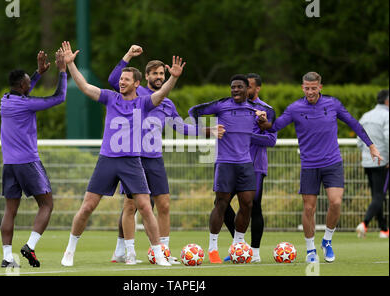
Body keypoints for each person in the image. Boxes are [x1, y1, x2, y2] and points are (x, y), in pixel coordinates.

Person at [59, 41, 186, 267]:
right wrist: (71, 65)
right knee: (87, 206)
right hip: (107, 160)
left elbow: (163, 93)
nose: (121, 82)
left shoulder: (144, 103)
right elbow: (86, 87)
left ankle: (158, 253)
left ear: (137, 83)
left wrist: (173, 78)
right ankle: (70, 250)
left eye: (126, 80)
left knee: (146, 207)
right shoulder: (110, 97)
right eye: (120, 80)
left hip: (131, 162)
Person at [107, 45, 225, 265]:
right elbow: (114, 79)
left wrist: (208, 131)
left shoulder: (167, 102)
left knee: (164, 205)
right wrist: (128, 56)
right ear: (146, 77)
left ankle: (164, 251)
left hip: (154, 159)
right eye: (156, 74)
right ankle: (127, 252)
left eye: (163, 73)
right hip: (132, 158)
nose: (160, 77)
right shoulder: (135, 93)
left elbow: (181, 127)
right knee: (131, 206)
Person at [256, 72, 383, 263]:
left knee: (336, 202)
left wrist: (371, 145)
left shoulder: (333, 104)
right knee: (309, 209)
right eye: (307, 88)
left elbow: (354, 124)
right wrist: (261, 121)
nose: (310, 92)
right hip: (309, 166)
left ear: (320, 87)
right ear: (302, 88)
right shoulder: (294, 108)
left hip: (332, 163)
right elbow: (273, 127)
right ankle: (310, 250)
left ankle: (327, 241)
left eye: (313, 88)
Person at [0, 49, 67, 268]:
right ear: (22, 86)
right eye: (29, 83)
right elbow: (59, 97)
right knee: (47, 205)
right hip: (28, 162)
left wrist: (37, 73)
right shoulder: (26, 104)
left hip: (9, 164)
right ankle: (30, 245)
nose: (31, 85)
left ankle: (7, 257)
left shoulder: (5, 100)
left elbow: (25, 92)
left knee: (10, 210)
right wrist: (62, 71)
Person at [188, 74, 266, 264]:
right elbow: (193, 111)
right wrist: (210, 130)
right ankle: (213, 248)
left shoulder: (255, 110)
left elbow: (268, 128)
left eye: (239, 87)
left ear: (248, 90)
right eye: (233, 87)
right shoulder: (221, 105)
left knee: (247, 205)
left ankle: (237, 246)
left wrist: (262, 122)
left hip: (246, 164)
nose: (235, 90)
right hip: (225, 163)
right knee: (221, 204)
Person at [222, 73, 277, 262]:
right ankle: (240, 246)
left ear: (256, 89)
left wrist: (244, 135)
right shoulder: (231, 108)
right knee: (220, 205)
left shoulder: (265, 110)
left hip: (255, 166)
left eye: (249, 86)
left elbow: (271, 140)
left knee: (253, 207)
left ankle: (254, 252)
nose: (243, 89)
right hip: (232, 163)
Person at [356, 89, 389, 239]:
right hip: (383, 162)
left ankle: (384, 229)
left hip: (367, 161)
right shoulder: (387, 116)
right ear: (387, 101)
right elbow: (388, 138)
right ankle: (364, 223)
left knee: (377, 195)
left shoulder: (366, 116)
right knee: (379, 195)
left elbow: (359, 141)